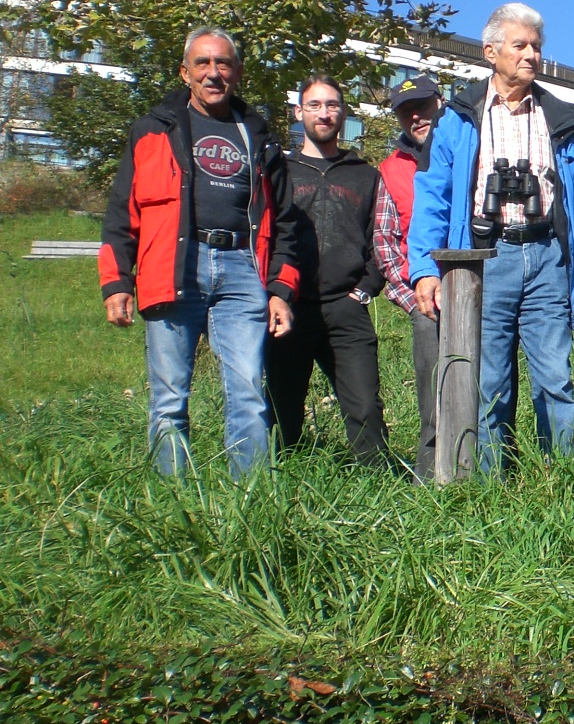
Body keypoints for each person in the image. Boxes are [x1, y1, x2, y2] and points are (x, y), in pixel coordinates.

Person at [408, 3, 574, 468]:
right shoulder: (458, 117)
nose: (531, 55)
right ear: (490, 51)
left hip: (548, 256)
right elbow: (432, 194)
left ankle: (565, 476)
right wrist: (424, 269)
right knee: (489, 378)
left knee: (556, 377)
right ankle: (489, 482)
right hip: (485, 257)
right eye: (520, 45)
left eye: (536, 46)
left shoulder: (562, 119)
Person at [99, 26, 300, 478]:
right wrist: (116, 282)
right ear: (184, 72)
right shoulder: (152, 131)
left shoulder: (259, 137)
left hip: (243, 268)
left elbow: (285, 222)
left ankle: (252, 495)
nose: (213, 73)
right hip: (174, 267)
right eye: (202, 63)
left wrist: (280, 290)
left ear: (238, 72)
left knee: (248, 390)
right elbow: (122, 211)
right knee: (170, 396)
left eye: (223, 63)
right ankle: (172, 498)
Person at [267, 74, 388, 463]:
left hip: (345, 307)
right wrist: (272, 291)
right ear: (298, 112)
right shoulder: (279, 171)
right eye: (315, 105)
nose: (324, 113)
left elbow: (382, 239)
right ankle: (281, 479)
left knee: (365, 408)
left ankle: (376, 482)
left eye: (332, 105)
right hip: (289, 307)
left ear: (344, 113)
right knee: (281, 411)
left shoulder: (365, 175)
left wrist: (364, 290)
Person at [374, 74, 442, 481]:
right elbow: (385, 243)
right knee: (432, 398)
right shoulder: (390, 170)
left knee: (487, 389)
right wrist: (413, 298)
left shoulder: (469, 150)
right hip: (424, 302)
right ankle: (430, 481)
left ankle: (489, 473)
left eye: (422, 106)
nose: (416, 116)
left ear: (439, 102)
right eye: (405, 112)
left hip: (478, 295)